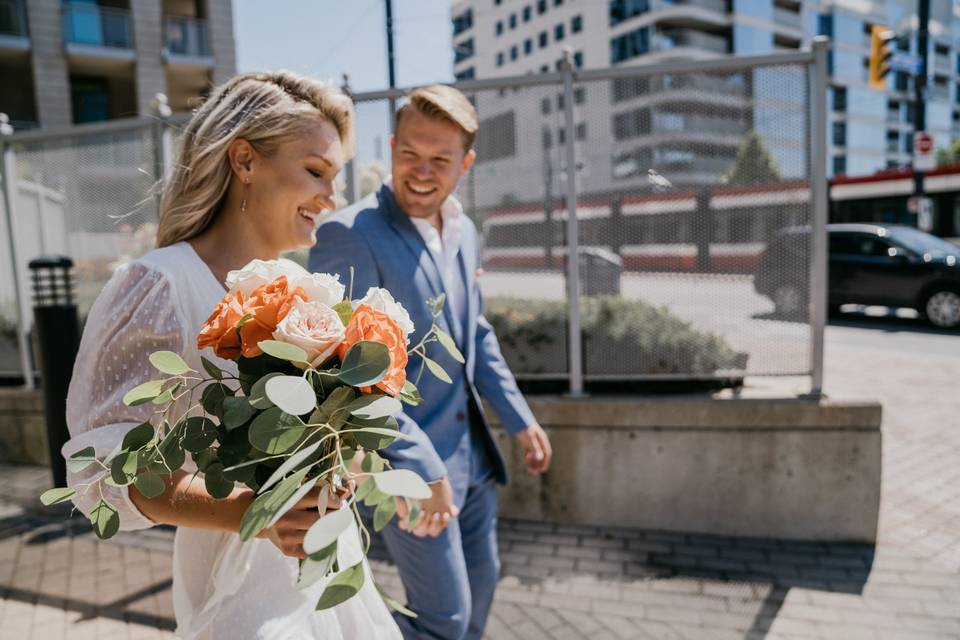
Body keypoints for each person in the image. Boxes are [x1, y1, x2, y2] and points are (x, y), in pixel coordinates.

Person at [62, 71, 402, 640]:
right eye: (316, 171)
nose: (333, 198)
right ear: (244, 160)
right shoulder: (160, 287)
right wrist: (254, 513)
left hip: (331, 574)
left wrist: (339, 460)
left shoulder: (302, 287)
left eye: (336, 178)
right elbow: (100, 470)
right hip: (240, 596)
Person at [309, 85, 553, 640]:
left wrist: (520, 418)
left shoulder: (466, 232)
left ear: (465, 163)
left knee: (478, 595)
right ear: (391, 147)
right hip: (408, 465)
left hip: (472, 462)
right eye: (409, 155)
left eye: (440, 159)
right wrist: (420, 464)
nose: (421, 172)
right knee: (441, 620)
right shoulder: (348, 234)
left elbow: (475, 335)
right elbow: (354, 374)